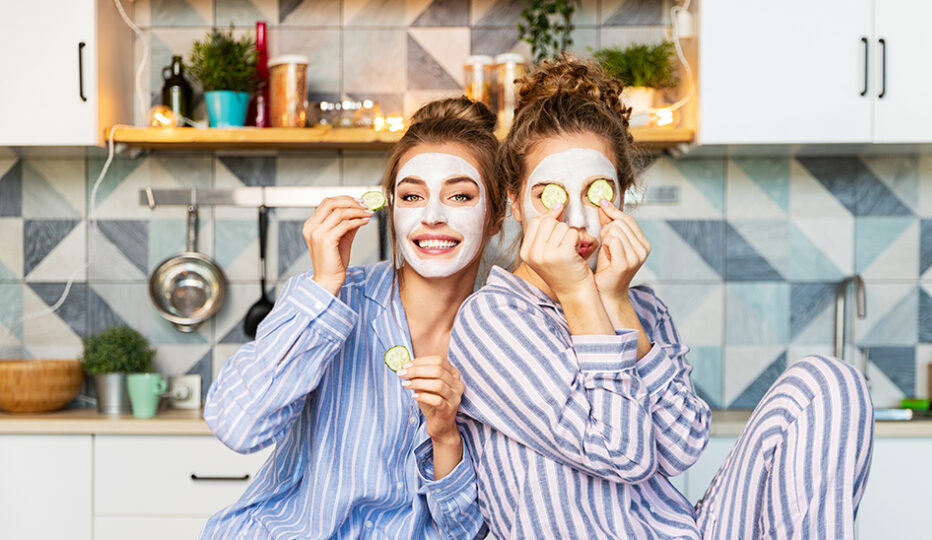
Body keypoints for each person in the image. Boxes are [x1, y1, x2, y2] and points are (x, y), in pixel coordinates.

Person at [447, 56, 874, 539]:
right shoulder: (493, 319)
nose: (578, 221)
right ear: (515, 201)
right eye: (551, 195)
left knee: (829, 382)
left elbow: (681, 447)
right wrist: (580, 293)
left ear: (623, 197)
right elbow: (621, 453)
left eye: (598, 192)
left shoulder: (640, 304)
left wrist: (617, 302)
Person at [202, 96, 502, 539]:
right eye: (411, 196)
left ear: (495, 215)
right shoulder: (335, 297)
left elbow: (465, 531)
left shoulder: (508, 336)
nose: (433, 216)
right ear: (391, 211)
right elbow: (237, 426)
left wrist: (445, 437)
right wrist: (325, 285)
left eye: (459, 195)